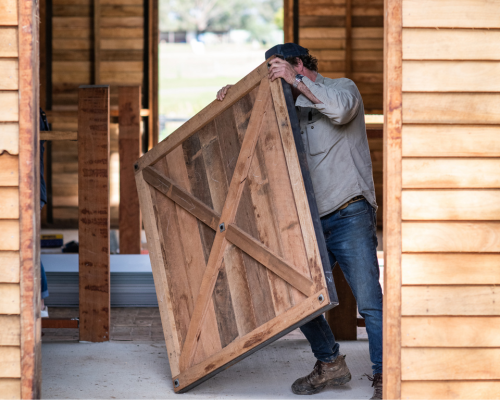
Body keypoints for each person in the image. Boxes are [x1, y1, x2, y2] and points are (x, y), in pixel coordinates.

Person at [216, 43, 383, 399]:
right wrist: (234, 101)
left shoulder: (342, 88)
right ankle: (331, 364)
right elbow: (250, 140)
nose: (276, 80)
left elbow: (339, 112)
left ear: (297, 64)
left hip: (350, 210)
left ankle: (387, 376)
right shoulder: (286, 109)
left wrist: (297, 81)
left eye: (278, 70)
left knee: (369, 302)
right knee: (298, 299)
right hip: (310, 220)